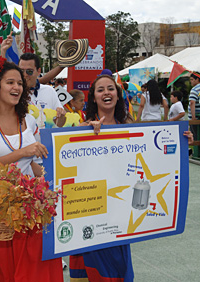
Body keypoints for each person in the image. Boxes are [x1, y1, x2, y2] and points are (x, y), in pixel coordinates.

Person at [0, 57, 63, 282]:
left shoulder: (29, 119)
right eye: (10, 82)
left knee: (34, 273)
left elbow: (32, 164)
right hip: (0, 210)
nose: (16, 87)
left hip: (31, 208)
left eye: (20, 84)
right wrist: (22, 152)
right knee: (3, 272)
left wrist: (51, 181)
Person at [69, 74, 134, 281]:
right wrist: (81, 137)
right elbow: (68, 164)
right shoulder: (83, 128)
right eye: (100, 90)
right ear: (94, 98)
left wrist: (180, 139)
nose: (106, 92)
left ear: (117, 94)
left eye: (110, 88)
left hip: (121, 211)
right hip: (91, 210)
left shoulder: (129, 125)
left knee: (119, 267)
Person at [18, 53, 66, 136]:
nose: (25, 75)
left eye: (29, 71)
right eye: (21, 71)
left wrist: (61, 116)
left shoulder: (49, 90)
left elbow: (59, 124)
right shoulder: (14, 93)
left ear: (38, 71)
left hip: (46, 144)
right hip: (23, 144)